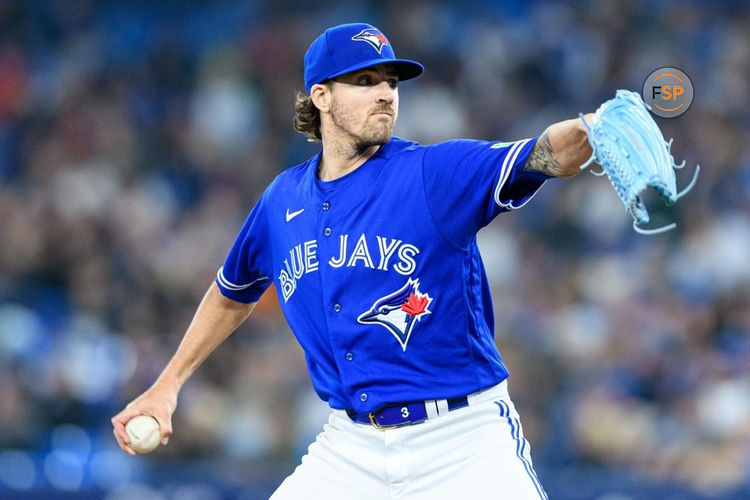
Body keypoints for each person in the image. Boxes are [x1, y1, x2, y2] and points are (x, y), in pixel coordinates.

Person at [112, 22, 594, 499]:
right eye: (365, 81)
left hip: (463, 440)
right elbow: (230, 294)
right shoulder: (282, 201)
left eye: (391, 82)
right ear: (320, 97)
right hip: (351, 447)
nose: (385, 93)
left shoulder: (432, 173)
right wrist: (167, 386)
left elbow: (541, 154)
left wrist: (593, 128)